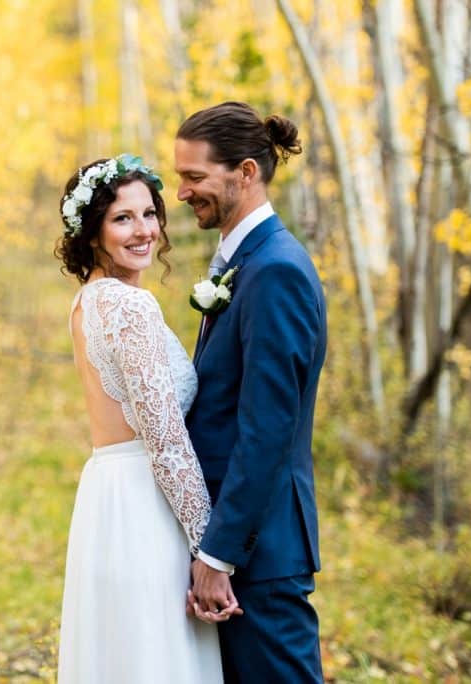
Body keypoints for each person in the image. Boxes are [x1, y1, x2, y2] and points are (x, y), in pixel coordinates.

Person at [55, 154, 231, 683]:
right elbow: (166, 440)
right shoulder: (130, 307)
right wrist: (210, 551)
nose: (143, 230)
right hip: (145, 507)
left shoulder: (88, 301)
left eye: (149, 213)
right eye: (123, 218)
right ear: (93, 232)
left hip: (107, 498)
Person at [177, 102, 327, 682]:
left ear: (245, 172)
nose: (183, 192)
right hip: (240, 546)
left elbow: (268, 429)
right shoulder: (245, 263)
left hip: (258, 554)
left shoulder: (276, 271)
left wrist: (219, 555)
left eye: (195, 177)